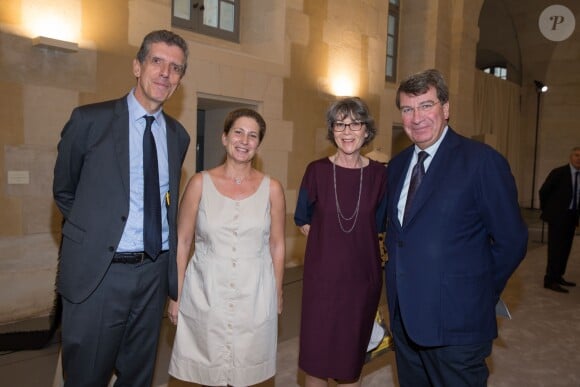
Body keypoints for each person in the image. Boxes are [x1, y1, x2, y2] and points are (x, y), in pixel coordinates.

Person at [52, 30, 190, 386]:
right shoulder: (89, 121)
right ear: (137, 65)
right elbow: (65, 191)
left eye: (175, 68)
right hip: (100, 273)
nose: (165, 73)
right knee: (86, 376)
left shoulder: (178, 136)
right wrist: (97, 233)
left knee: (139, 376)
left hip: (153, 276)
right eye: (157, 61)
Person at [384, 69, 528, 386]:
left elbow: (512, 240)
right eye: (408, 109)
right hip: (405, 321)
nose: (416, 117)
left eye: (426, 105)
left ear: (446, 109)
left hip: (458, 324)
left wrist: (476, 293)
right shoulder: (396, 167)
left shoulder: (482, 162)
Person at [168, 108, 286, 386]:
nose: (244, 140)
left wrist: (277, 292)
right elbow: (183, 242)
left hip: (254, 292)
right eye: (238, 132)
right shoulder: (199, 183)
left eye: (253, 135)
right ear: (224, 138)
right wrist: (176, 293)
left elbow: (277, 245)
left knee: (248, 369)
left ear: (258, 144)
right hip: (206, 291)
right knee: (204, 370)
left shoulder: (273, 189)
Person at [294, 97, 387, 387]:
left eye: (355, 124)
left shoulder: (380, 175)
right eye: (340, 124)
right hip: (322, 282)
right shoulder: (316, 171)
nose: (347, 131)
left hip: (362, 282)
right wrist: (328, 242)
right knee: (317, 360)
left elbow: (381, 223)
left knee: (350, 362)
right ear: (332, 130)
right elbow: (302, 218)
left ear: (366, 130)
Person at [540, 146, 580, 293]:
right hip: (557, 218)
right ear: (571, 157)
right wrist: (549, 210)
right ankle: (549, 280)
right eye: (576, 155)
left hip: (572, 217)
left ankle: (558, 276)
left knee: (565, 249)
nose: (578, 158)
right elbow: (543, 191)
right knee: (555, 250)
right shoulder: (559, 172)